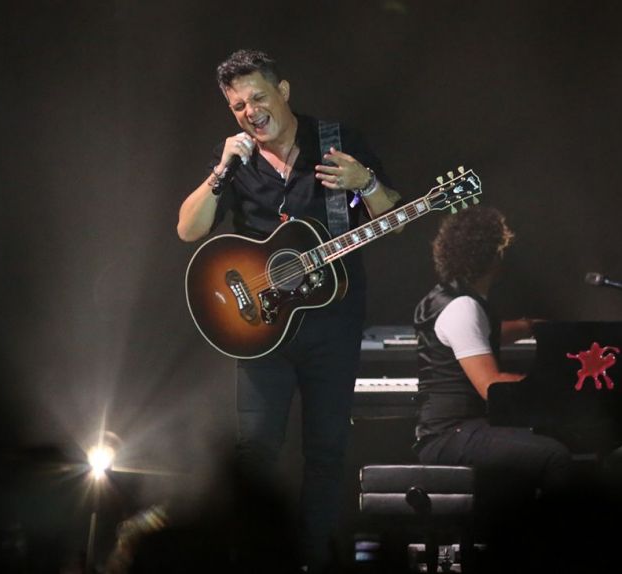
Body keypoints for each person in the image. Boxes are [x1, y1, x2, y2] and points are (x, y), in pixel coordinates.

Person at [176, 49, 401, 573]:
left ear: (283, 91)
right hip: (260, 329)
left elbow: (390, 213)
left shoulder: (337, 142)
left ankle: (312, 561)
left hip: (333, 324)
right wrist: (221, 170)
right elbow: (188, 229)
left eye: (257, 97)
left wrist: (365, 184)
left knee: (325, 453)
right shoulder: (235, 162)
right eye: (238, 106)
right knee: (254, 453)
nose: (250, 112)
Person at [412, 206, 574, 511]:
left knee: (542, 441)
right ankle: (552, 539)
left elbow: (486, 334)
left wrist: (531, 326)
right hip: (451, 434)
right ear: (493, 255)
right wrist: (551, 386)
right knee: (555, 456)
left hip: (451, 430)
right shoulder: (462, 308)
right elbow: (492, 386)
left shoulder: (449, 297)